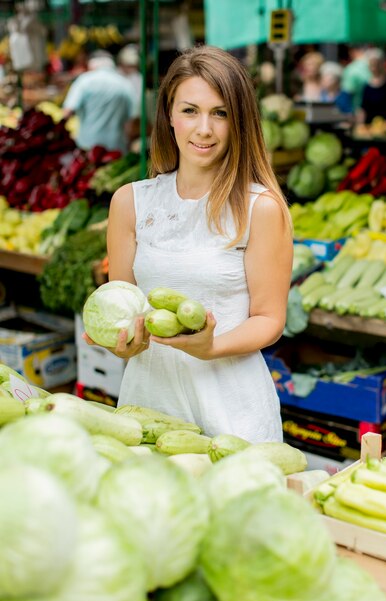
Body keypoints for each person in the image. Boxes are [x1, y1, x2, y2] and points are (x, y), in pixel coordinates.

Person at [84, 45, 293, 443]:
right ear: (169, 116)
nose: (204, 129)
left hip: (233, 408)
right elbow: (125, 306)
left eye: (221, 113)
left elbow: (269, 318)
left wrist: (210, 347)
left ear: (240, 122)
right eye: (190, 110)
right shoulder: (130, 202)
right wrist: (121, 344)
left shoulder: (261, 208)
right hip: (149, 400)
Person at [63, 50, 138, 154]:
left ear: (91, 65)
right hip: (117, 147)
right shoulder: (125, 84)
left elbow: (68, 112)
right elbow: (133, 120)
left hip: (87, 147)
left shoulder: (84, 81)